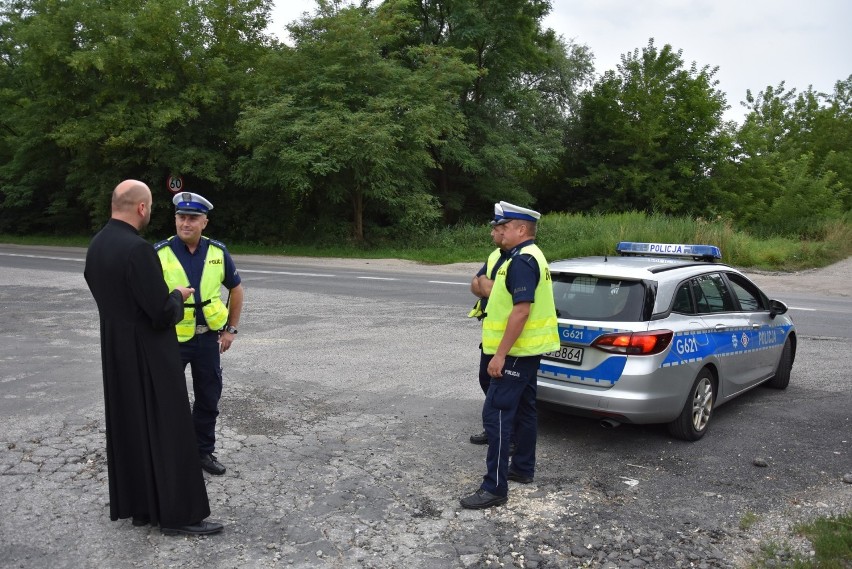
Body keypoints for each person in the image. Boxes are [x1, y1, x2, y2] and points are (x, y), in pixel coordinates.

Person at [84, 179, 223, 536]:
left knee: (134, 428)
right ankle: (180, 515)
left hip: (116, 352)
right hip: (148, 354)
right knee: (169, 430)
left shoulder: (97, 245)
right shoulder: (138, 250)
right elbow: (160, 312)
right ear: (142, 208)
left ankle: (141, 506)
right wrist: (176, 294)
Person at [460, 201, 560, 509]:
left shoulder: (523, 260)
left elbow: (521, 310)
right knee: (527, 409)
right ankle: (522, 468)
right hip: (526, 350)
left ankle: (495, 488)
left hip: (515, 351)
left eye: (503, 227)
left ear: (521, 229)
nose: (497, 232)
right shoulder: (523, 256)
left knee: (497, 415)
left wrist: (500, 355)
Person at [155, 192, 244, 476]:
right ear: (175, 220)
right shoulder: (160, 253)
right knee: (168, 398)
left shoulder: (218, 252)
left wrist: (230, 329)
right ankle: (169, 451)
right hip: (172, 340)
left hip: (208, 339)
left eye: (193, 218)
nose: (186, 223)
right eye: (181, 217)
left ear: (204, 222)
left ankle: (202, 451)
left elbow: (236, 289)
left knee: (208, 397)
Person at [467, 204, 509, 445]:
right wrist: (485, 285)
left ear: (506, 230)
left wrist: (486, 285)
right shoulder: (495, 255)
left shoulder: (519, 258)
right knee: (486, 380)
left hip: (510, 335)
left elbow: (494, 290)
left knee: (504, 388)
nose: (491, 233)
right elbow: (475, 284)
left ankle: (508, 435)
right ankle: (493, 428)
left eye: (495, 228)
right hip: (492, 332)